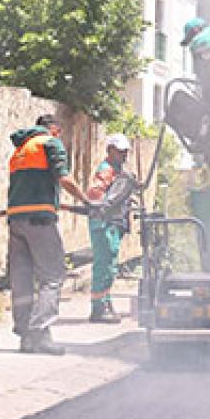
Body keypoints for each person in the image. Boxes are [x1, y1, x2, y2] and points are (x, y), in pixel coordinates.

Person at [8, 114, 93, 355]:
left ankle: (25, 336)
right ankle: (40, 333)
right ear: (54, 129)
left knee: (22, 280)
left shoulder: (21, 149)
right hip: (40, 220)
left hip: (16, 220)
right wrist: (87, 201)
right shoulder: (49, 142)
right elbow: (63, 178)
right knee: (53, 275)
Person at [87, 133, 133, 323]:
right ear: (110, 151)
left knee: (109, 265)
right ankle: (99, 308)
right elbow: (95, 193)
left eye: (125, 152)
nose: (124, 155)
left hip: (110, 224)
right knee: (104, 265)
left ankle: (105, 302)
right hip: (104, 224)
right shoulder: (107, 171)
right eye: (120, 152)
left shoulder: (117, 171)